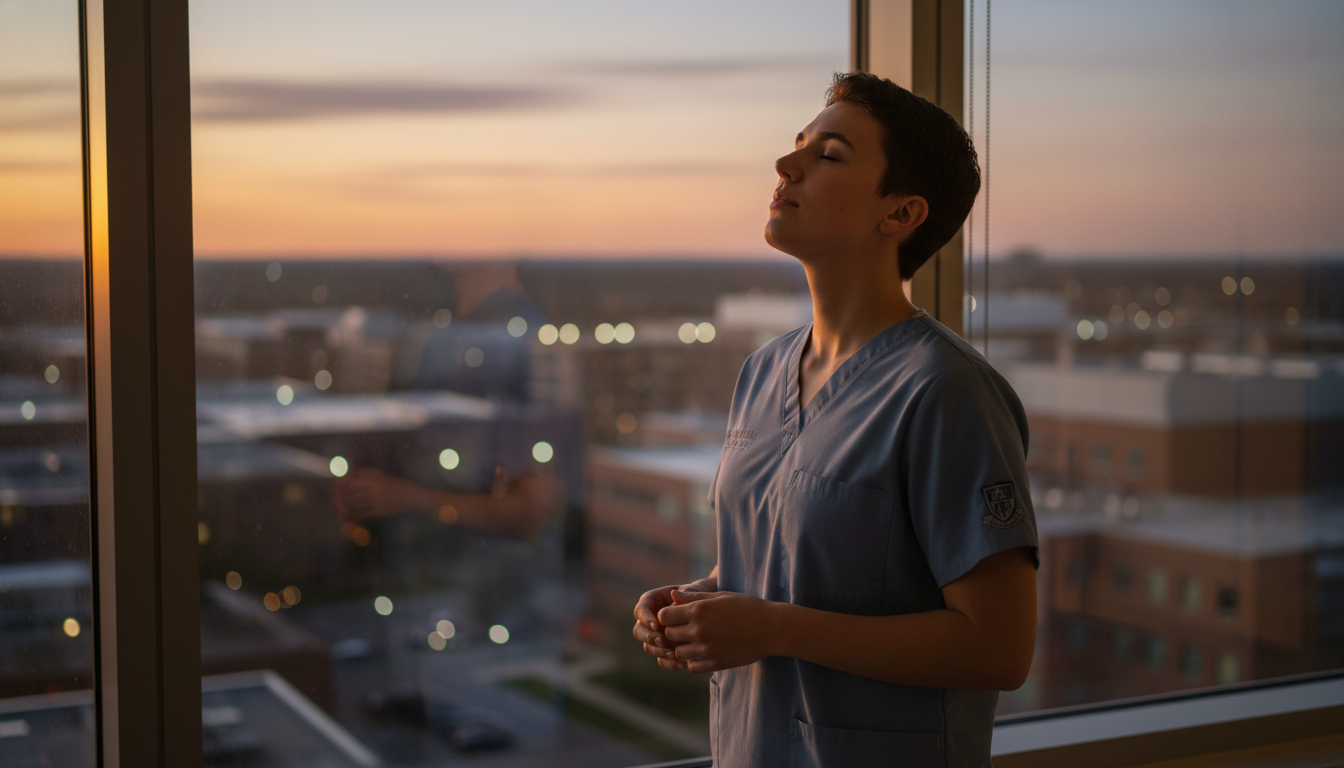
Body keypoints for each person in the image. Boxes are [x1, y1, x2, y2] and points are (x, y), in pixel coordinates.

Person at [631, 72, 1038, 768]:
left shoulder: (945, 393)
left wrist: (775, 628)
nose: (786, 165)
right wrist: (698, 603)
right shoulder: (762, 374)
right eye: (798, 146)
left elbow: (997, 648)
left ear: (901, 214)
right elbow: (793, 557)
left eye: (830, 155)